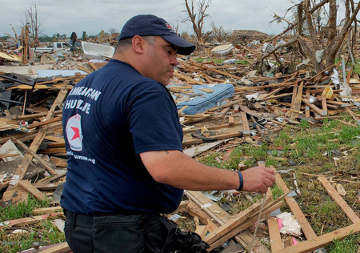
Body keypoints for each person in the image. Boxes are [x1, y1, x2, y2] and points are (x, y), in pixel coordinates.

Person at [61, 14, 275, 252]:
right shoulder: (144, 91)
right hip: (122, 235)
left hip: (79, 225)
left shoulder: (83, 87)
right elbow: (165, 166)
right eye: (168, 51)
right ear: (139, 44)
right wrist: (241, 180)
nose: (175, 61)